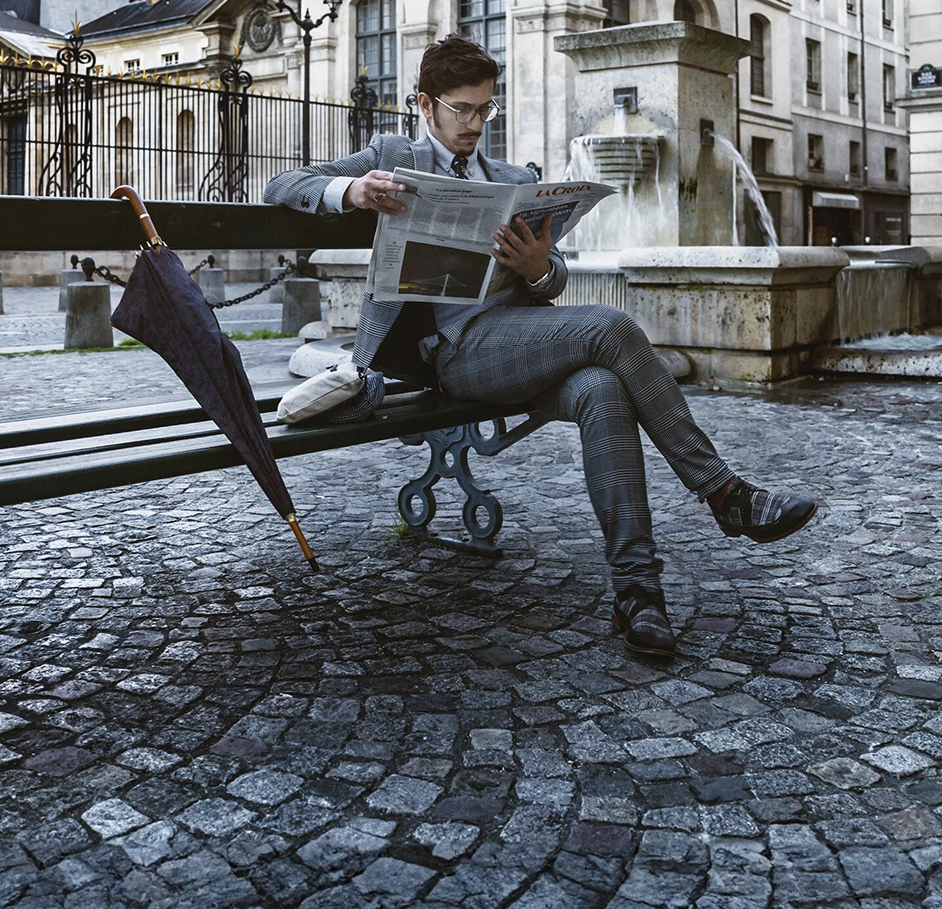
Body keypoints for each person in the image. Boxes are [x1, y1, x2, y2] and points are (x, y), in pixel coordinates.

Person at [265, 34, 817, 657]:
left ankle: (638, 595)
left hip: (515, 344)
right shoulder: (392, 155)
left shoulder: (511, 179)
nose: (475, 124)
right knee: (609, 326)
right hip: (448, 352)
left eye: (486, 110)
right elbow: (281, 185)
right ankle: (723, 492)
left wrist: (534, 268)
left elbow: (553, 282)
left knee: (603, 389)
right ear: (424, 104)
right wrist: (354, 192)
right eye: (461, 110)